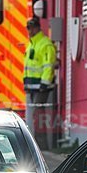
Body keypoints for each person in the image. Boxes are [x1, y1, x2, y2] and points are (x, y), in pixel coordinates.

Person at [22, 17, 57, 146]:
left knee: (39, 116)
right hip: (32, 86)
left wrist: (45, 83)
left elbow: (49, 65)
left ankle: (41, 145)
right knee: (34, 116)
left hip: (41, 86)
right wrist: (26, 83)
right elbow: (28, 66)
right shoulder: (31, 43)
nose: (29, 31)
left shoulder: (45, 44)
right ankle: (36, 143)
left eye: (31, 28)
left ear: (37, 28)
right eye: (28, 28)